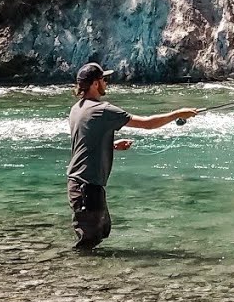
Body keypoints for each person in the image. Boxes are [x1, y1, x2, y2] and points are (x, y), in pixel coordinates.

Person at [66, 62, 199, 250]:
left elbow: (84, 141)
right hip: (86, 185)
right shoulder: (103, 110)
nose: (106, 83)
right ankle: (73, 266)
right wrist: (177, 113)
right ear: (95, 84)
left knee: (101, 231)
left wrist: (112, 145)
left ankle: (85, 267)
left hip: (80, 183)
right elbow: (147, 123)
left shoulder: (77, 108)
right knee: (90, 240)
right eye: (104, 79)